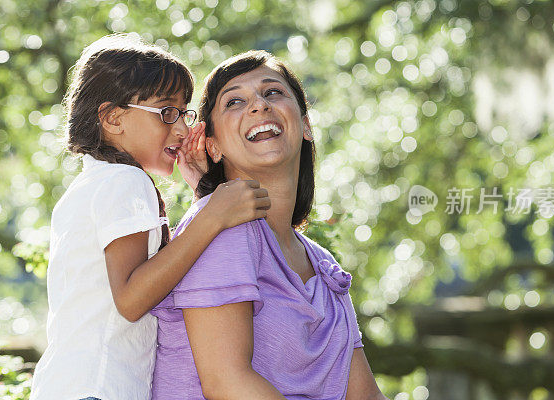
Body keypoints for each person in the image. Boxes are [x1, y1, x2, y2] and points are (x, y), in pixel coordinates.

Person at [29, 35, 270, 400]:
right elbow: (132, 297)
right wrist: (214, 214)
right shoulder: (126, 181)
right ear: (113, 118)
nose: (182, 129)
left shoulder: (94, 183)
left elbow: (164, 276)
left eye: (183, 113)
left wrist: (201, 193)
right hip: (98, 389)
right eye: (166, 112)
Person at [151, 50, 389, 400]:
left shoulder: (322, 265)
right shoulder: (220, 231)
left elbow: (365, 395)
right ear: (212, 146)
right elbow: (227, 383)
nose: (259, 105)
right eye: (234, 101)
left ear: (306, 125)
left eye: (273, 92)